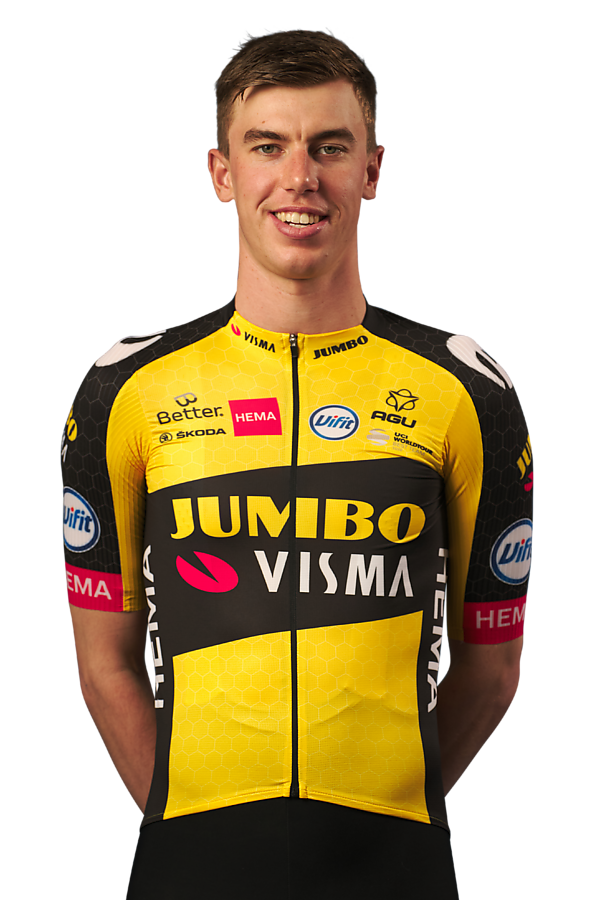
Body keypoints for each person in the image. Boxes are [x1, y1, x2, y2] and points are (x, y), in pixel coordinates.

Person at [61, 27, 534, 899]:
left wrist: (400, 805)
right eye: (268, 146)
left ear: (374, 171)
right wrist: (181, 812)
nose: (300, 177)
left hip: (395, 861)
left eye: (331, 147)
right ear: (221, 173)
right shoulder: (123, 389)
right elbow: (103, 665)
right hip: (190, 859)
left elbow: (494, 668)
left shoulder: (468, 392)